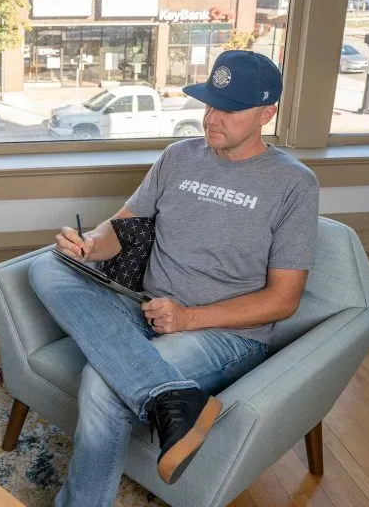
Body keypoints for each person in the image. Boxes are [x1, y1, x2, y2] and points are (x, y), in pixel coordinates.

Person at [28, 50, 319, 505]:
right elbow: (120, 229)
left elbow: (284, 300)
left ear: (267, 112)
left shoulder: (294, 185)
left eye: (229, 108)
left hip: (224, 335)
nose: (211, 118)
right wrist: (87, 245)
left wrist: (187, 319)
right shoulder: (178, 157)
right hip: (141, 307)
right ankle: (170, 399)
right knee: (46, 265)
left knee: (102, 382)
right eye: (209, 103)